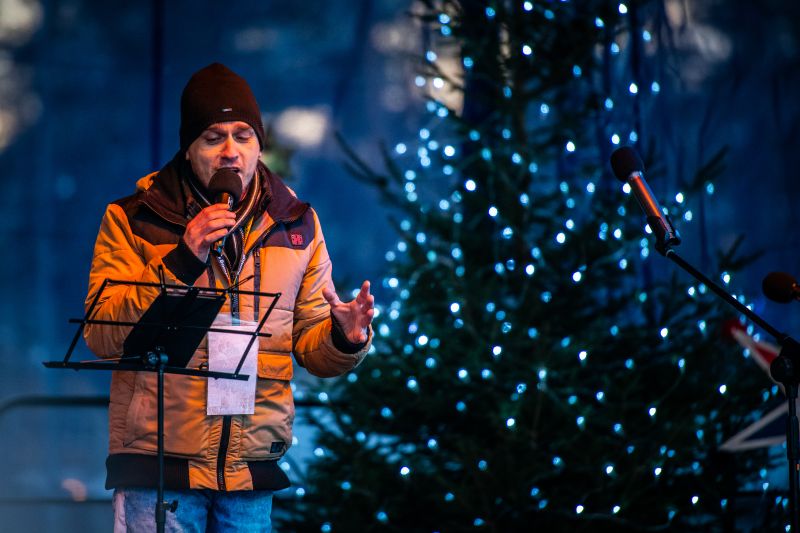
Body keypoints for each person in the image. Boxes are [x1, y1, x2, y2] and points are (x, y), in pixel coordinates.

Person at [83, 63, 374, 532]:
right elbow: (102, 333)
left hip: (250, 467)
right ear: (189, 147)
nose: (230, 152)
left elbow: (312, 349)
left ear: (260, 144)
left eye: (243, 135)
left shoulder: (297, 225)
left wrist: (343, 336)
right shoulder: (134, 218)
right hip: (160, 467)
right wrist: (183, 257)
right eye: (213, 137)